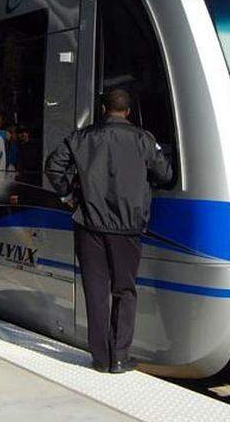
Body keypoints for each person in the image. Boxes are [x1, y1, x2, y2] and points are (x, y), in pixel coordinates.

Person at [45, 89, 172, 374]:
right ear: (127, 111)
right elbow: (165, 175)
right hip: (128, 229)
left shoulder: (82, 137)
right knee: (125, 290)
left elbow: (53, 166)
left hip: (89, 225)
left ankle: (100, 358)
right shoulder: (144, 139)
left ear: (104, 109)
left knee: (96, 290)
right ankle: (119, 357)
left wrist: (68, 195)